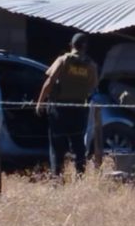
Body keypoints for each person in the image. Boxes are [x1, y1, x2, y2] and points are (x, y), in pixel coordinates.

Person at [36, 33, 99, 177]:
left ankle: (57, 177)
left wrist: (40, 103)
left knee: (57, 146)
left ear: (71, 45)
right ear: (85, 47)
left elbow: (49, 82)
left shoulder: (63, 60)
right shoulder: (91, 65)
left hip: (59, 109)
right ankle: (80, 176)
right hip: (79, 109)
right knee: (78, 145)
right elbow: (93, 87)